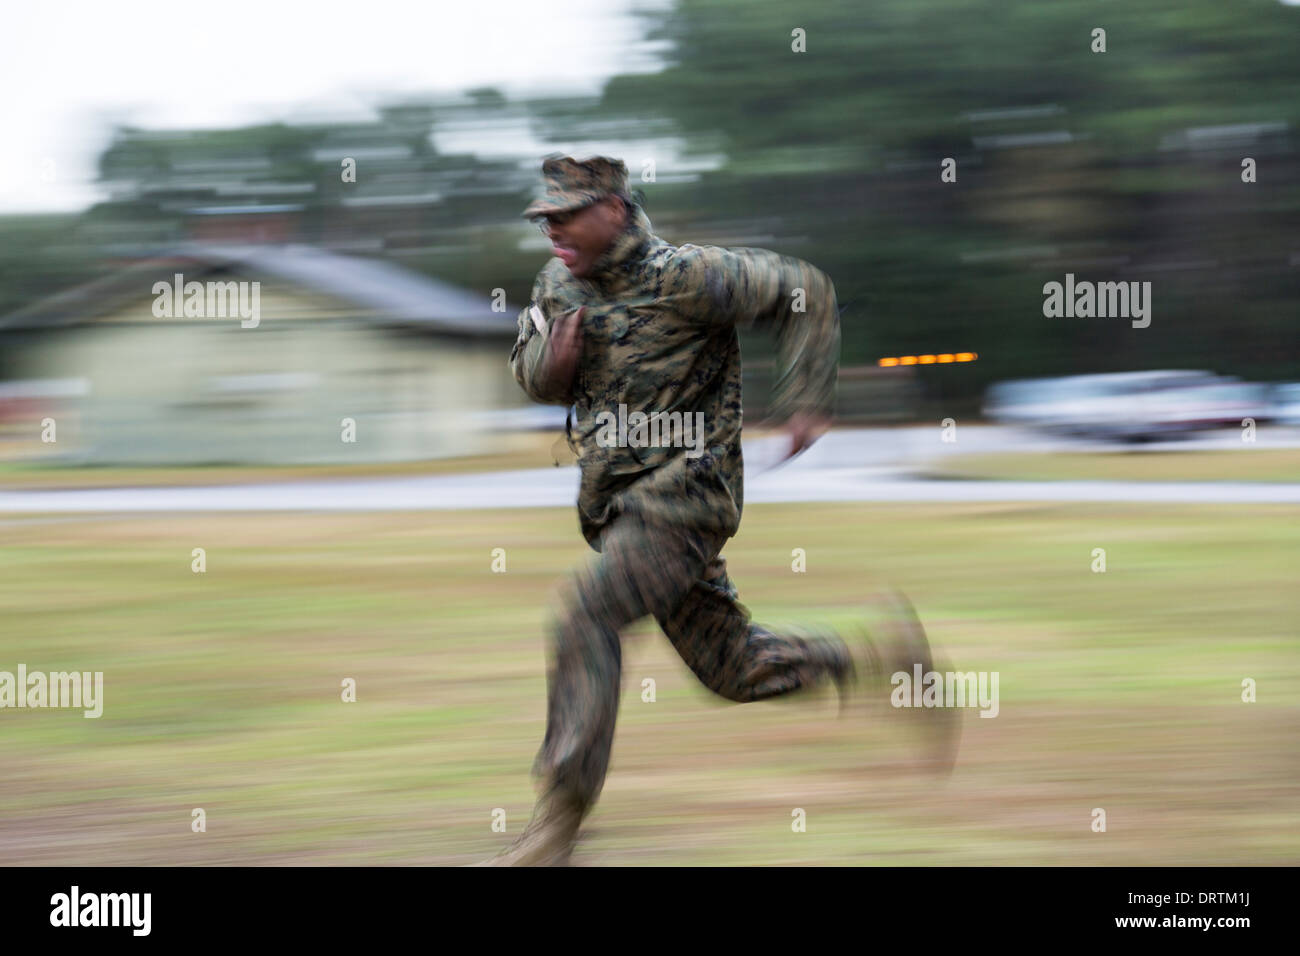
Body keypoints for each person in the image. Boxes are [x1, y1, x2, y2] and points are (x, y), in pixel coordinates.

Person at [482, 155, 956, 866]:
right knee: (732, 669)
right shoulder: (558, 283)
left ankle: (558, 821)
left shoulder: (688, 276)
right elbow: (529, 372)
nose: (551, 229)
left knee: (586, 613)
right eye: (544, 218)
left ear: (614, 208)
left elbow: (805, 291)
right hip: (615, 505)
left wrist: (805, 398)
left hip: (684, 501)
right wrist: (550, 365)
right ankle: (880, 660)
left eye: (566, 214)